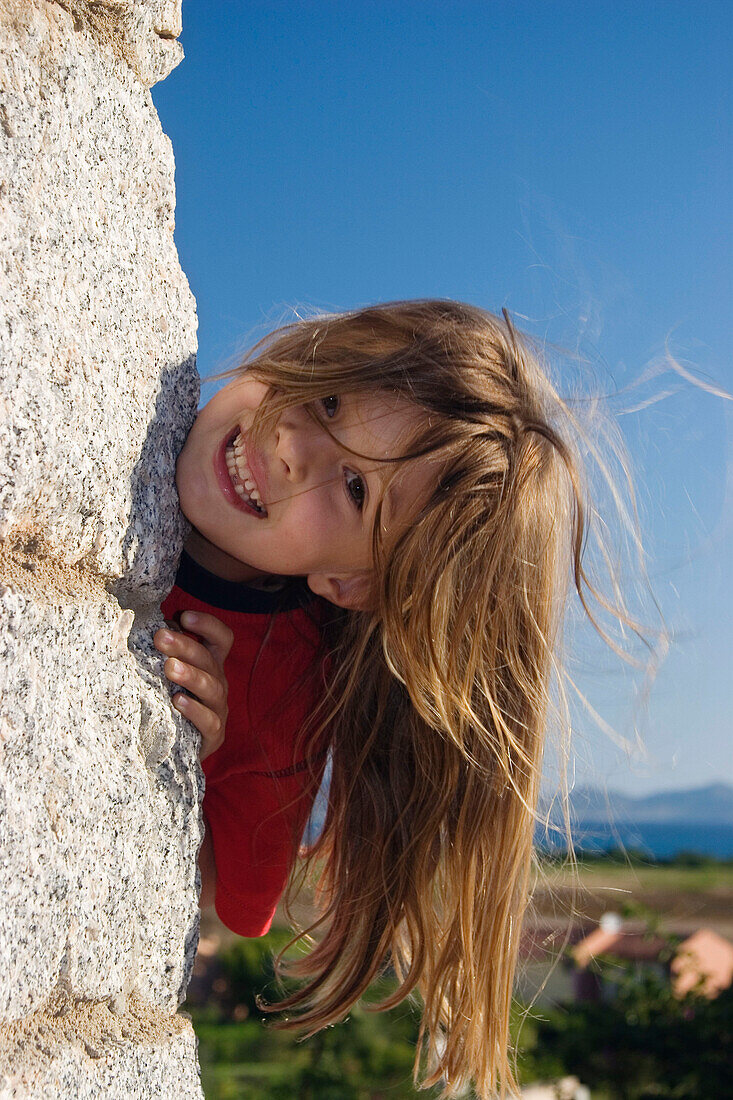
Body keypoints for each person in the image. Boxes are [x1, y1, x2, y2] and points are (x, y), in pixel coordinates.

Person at [153, 299, 623, 1099]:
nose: (292, 445)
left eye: (354, 490)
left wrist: (213, 748)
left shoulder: (283, 684)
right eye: (329, 399)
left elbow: (241, 903)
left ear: (350, 583)